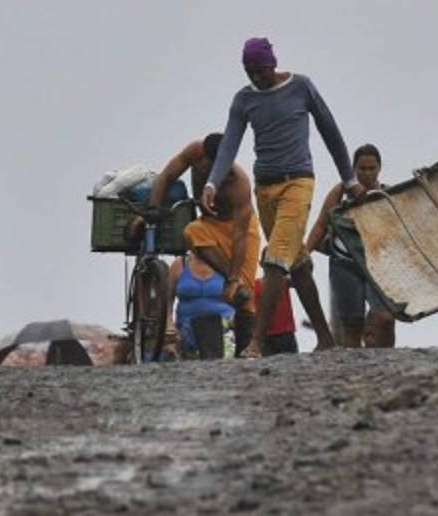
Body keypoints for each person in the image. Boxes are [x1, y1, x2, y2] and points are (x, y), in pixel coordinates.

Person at [202, 37, 364, 357]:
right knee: (298, 263)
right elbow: (230, 144)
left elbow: (330, 131)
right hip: (266, 188)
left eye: (260, 71)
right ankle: (325, 338)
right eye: (249, 72)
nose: (256, 78)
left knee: (275, 258)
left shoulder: (301, 87)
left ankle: (257, 342)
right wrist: (211, 184)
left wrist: (349, 179)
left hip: (298, 182)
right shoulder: (244, 100)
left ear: (272, 65)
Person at [136, 133, 260, 354]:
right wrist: (153, 207)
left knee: (244, 290)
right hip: (208, 225)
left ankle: (246, 346)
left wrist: (233, 278)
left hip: (240, 229)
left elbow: (240, 236)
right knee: (191, 231)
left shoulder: (239, 183)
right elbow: (166, 177)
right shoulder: (195, 152)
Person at [304, 143, 395, 348]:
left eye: (372, 168)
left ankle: (389, 362)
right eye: (362, 169)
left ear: (379, 169)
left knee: (385, 319)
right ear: (354, 169)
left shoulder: (387, 194)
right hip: (344, 264)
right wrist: (304, 253)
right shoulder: (340, 192)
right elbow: (321, 224)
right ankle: (353, 367)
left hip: (379, 265)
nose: (367, 173)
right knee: (352, 323)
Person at [168, 254, 234, 360]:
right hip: (187, 327)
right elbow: (167, 301)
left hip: (223, 327)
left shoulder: (227, 262)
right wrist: (169, 327)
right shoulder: (180, 264)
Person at [255, 277, 299, 356]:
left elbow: (299, 280)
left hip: (283, 333)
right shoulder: (282, 281)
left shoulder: (283, 280)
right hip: (268, 335)